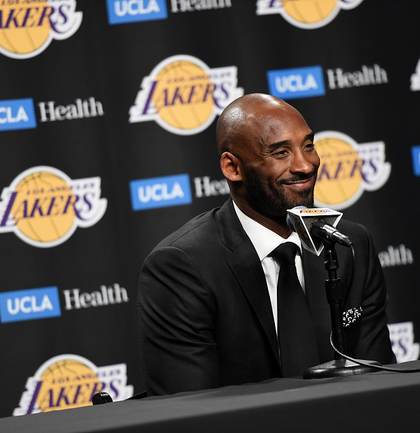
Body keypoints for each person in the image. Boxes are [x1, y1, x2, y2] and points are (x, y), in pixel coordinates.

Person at [137, 93, 395, 396]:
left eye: (308, 146)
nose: (305, 165)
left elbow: (378, 382)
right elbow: (190, 409)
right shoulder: (182, 266)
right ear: (233, 168)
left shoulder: (349, 245)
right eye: (281, 153)